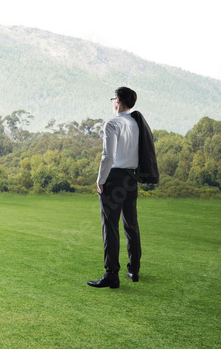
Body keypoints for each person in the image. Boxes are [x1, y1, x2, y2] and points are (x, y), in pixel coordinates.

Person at [87, 86, 142, 289]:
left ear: (117, 100)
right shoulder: (137, 123)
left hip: (114, 178)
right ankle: (133, 270)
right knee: (131, 224)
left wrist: (101, 180)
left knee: (110, 226)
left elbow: (108, 156)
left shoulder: (112, 123)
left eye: (113, 99)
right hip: (131, 178)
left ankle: (112, 274)